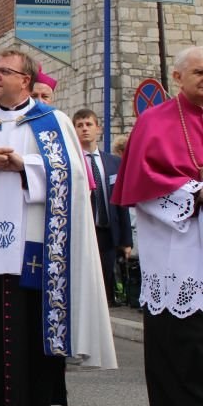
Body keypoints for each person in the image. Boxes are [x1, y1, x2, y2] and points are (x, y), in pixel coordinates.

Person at [0, 49, 116, 406]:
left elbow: (73, 176)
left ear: (26, 81)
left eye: (4, 71)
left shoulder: (53, 121)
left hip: (37, 239)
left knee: (33, 314)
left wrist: (24, 165)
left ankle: (32, 399)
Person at [111, 45, 203, 406]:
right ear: (178, 78)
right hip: (178, 245)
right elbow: (142, 183)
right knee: (184, 336)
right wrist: (194, 195)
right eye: (200, 72)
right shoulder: (155, 121)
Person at [73, 109, 132, 307]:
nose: (85, 129)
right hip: (83, 232)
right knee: (85, 283)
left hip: (107, 231)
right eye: (80, 126)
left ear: (98, 128)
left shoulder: (114, 162)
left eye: (88, 124)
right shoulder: (73, 162)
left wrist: (126, 240)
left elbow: (122, 202)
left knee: (106, 281)